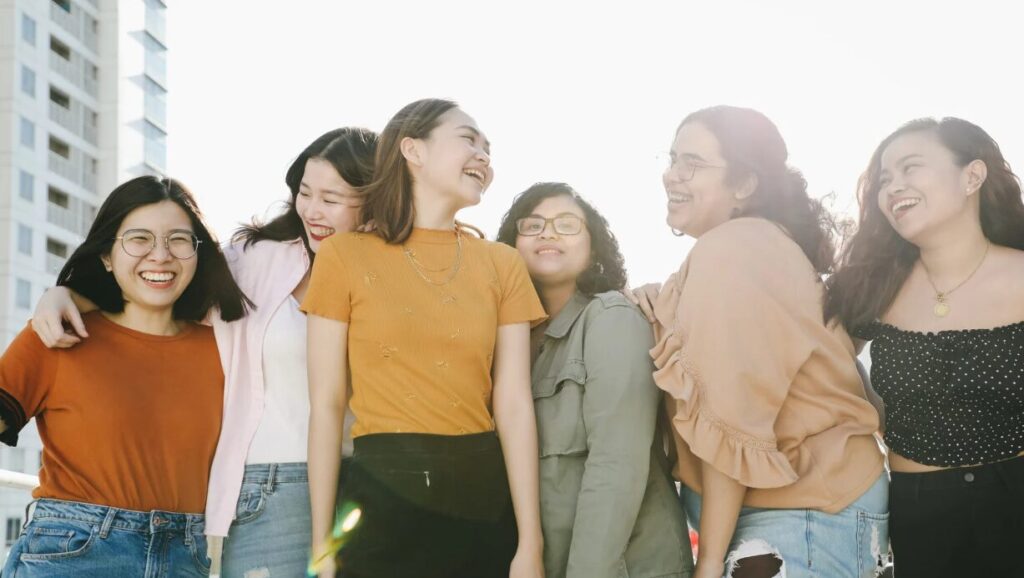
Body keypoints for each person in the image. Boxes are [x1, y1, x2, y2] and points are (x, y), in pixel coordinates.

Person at [28, 128, 379, 577]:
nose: (311, 210)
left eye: (331, 198)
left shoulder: (393, 271)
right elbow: (160, 282)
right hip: (276, 486)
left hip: (373, 481)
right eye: (304, 193)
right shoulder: (256, 261)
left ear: (374, 197)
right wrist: (66, 296)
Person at [303, 98, 547, 578]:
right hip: (380, 496)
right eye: (468, 139)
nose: (483, 157)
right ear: (412, 149)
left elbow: (515, 405)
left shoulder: (502, 264)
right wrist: (321, 545)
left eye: (488, 149)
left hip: (481, 493)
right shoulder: (343, 258)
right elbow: (328, 405)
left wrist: (529, 542)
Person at [646, 106, 886, 578]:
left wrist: (709, 559)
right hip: (808, 512)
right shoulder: (753, 245)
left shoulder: (737, 249)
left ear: (744, 184)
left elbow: (732, 417)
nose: (671, 175)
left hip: (800, 519)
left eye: (692, 162)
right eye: (672, 158)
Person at [0, 176, 249, 577]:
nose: (160, 255)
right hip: (72, 556)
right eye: (139, 239)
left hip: (185, 559)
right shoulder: (58, 334)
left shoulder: (225, 349)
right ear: (106, 256)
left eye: (179, 241)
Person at [825, 117, 1024, 578]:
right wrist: (877, 412)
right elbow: (819, 358)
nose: (894, 186)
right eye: (884, 179)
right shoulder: (871, 287)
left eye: (910, 168)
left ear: (972, 176)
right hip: (919, 512)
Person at [496, 182, 694, 578]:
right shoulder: (510, 341)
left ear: (594, 247)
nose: (548, 233)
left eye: (567, 224)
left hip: (625, 566)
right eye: (532, 225)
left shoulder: (610, 317)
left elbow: (616, 464)